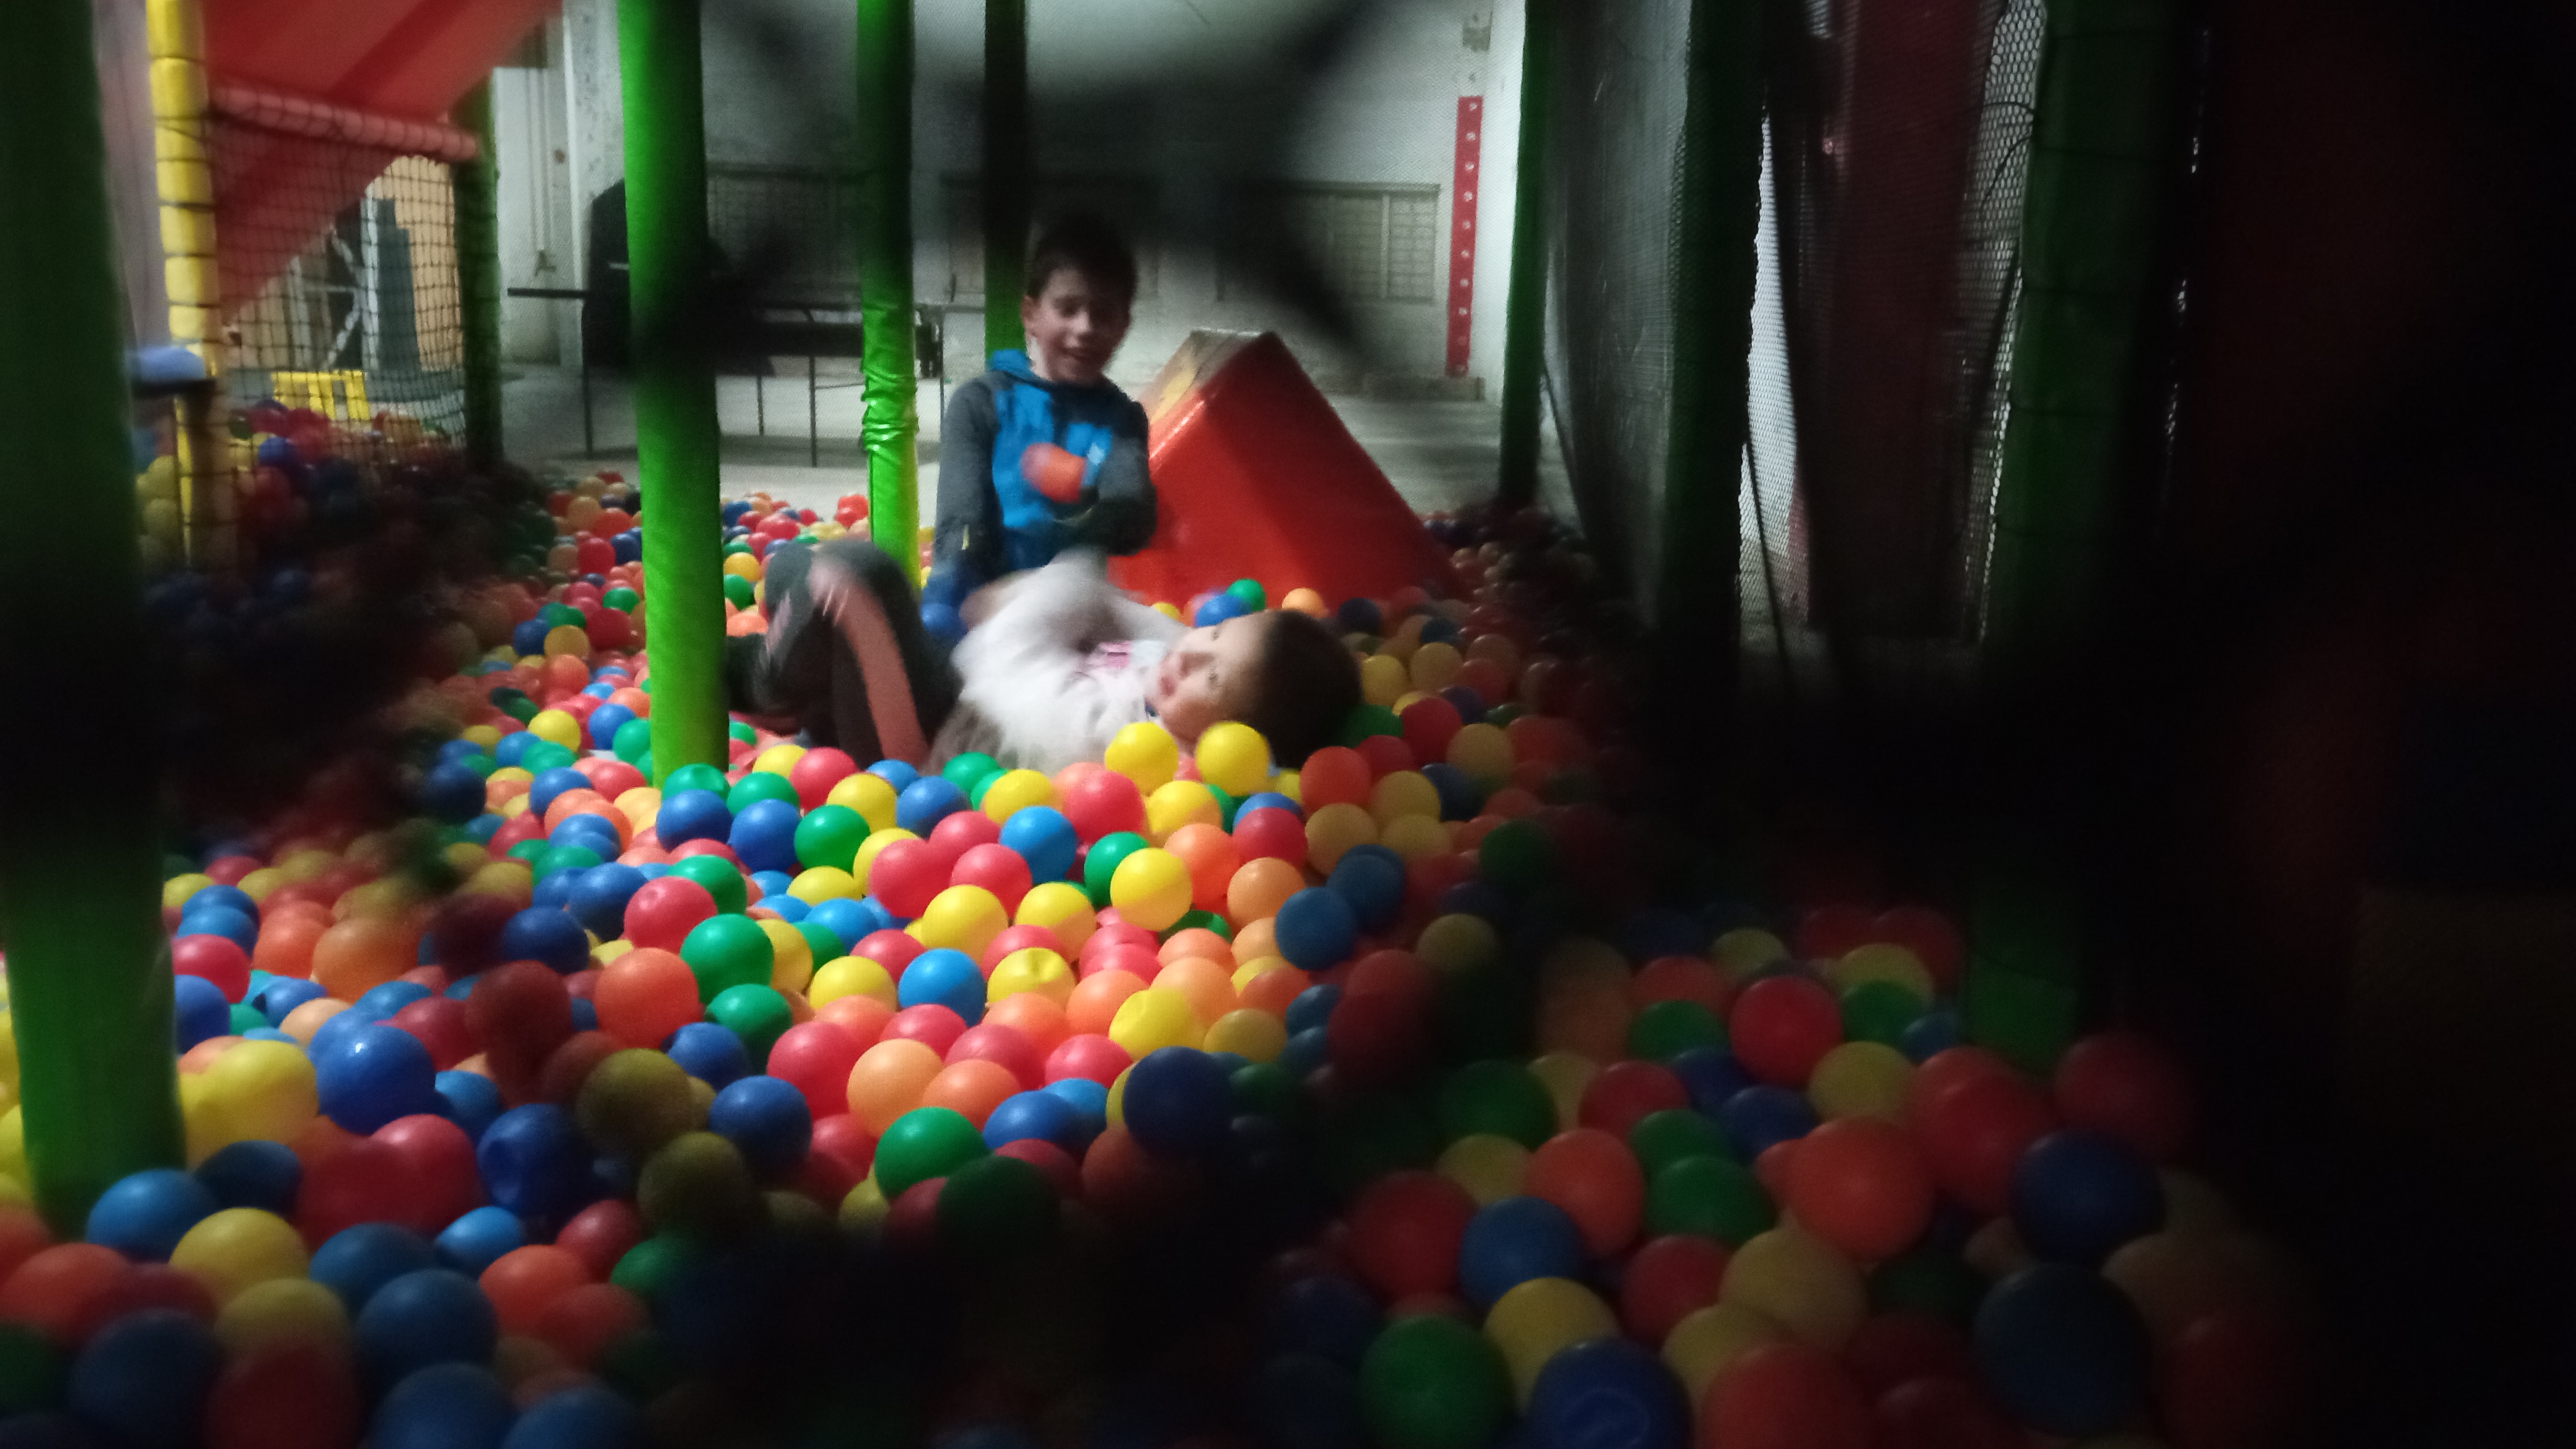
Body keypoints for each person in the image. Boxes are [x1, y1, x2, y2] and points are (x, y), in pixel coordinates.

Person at [728, 539, 1358, 776]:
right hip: (947, 688)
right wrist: (1069, 587)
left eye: (1214, 678)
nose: (1191, 655)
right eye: (1216, 635)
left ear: (1233, 742)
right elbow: (1106, 594)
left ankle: (765, 688)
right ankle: (810, 695)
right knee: (794, 567)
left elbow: (998, 669)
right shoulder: (1174, 670)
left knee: (857, 576)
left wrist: (1031, 598)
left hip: (915, 746)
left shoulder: (1134, 747)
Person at [925, 213, 1157, 626]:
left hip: (1071, 610)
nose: (1085, 328)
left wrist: (1083, 480)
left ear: (1123, 327)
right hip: (987, 601)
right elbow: (961, 519)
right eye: (1068, 309)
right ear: (1031, 315)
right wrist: (956, 585)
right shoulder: (980, 403)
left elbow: (1133, 517)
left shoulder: (1122, 419)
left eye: (1103, 314)